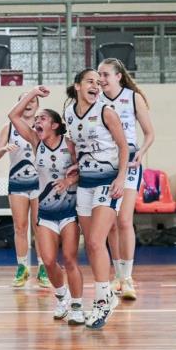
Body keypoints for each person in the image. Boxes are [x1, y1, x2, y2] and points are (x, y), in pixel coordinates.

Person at [8, 86, 84, 324]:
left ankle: (78, 306)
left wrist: (69, 180)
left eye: (42, 118)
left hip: (69, 211)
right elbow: (13, 116)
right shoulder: (34, 141)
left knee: (70, 259)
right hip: (47, 213)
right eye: (37, 118)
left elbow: (82, 171)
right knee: (49, 261)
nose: (37, 121)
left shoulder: (69, 145)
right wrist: (32, 93)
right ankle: (62, 297)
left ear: (54, 125)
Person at [64, 68, 129, 330]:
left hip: (107, 181)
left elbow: (124, 146)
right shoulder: (69, 112)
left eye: (98, 82)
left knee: (95, 240)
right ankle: (107, 293)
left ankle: (103, 300)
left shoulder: (106, 111)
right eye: (90, 81)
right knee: (90, 246)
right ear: (78, 85)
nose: (96, 85)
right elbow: (76, 144)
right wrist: (75, 165)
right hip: (85, 183)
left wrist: (122, 177)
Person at [98, 58, 155, 300]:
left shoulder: (133, 97)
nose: (100, 79)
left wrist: (141, 152)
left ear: (118, 76)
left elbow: (150, 133)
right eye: (98, 75)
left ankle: (128, 277)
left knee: (124, 220)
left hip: (129, 160)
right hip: (105, 162)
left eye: (105, 74)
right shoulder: (97, 99)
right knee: (109, 222)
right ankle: (117, 277)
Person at [0, 93, 49, 288]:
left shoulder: (42, 128)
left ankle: (43, 269)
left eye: (33, 101)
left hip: (40, 184)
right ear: (19, 105)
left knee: (40, 227)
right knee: (20, 227)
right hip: (17, 182)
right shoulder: (8, 128)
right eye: (25, 102)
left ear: (38, 105)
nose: (29, 105)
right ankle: (22, 269)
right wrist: (4, 149)